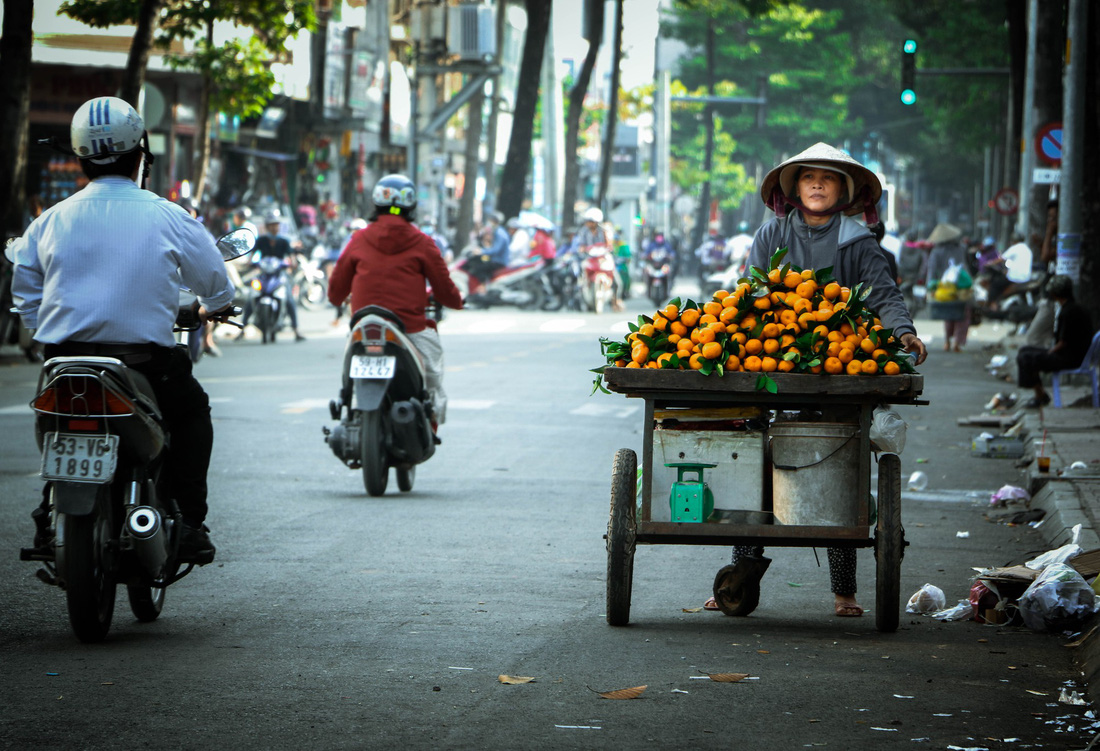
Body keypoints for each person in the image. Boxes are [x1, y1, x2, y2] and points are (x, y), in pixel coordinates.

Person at [10, 95, 235, 562]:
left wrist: (47, 333)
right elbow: (216, 283)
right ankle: (190, 523)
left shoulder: (48, 221)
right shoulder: (167, 215)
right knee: (192, 414)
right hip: (145, 367)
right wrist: (216, 306)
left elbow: (26, 296)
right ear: (140, 154)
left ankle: (48, 506)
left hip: (63, 365)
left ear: (80, 158)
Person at [723, 142, 928, 619]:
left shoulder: (858, 242)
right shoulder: (772, 232)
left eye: (828, 178)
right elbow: (747, 293)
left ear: (844, 190)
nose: (817, 183)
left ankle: (844, 590)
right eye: (808, 176)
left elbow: (884, 295)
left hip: (839, 365)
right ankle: (739, 577)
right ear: (793, 187)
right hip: (770, 358)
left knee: (840, 465)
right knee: (756, 458)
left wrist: (905, 332)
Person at [327, 174, 463, 431]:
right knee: (431, 376)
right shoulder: (423, 243)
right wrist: (457, 301)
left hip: (363, 325)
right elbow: (445, 289)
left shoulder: (358, 240)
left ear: (376, 204)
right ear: (411, 207)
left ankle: (345, 399)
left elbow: (335, 291)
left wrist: (339, 298)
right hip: (410, 328)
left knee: (348, 364)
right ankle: (430, 419)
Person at [1015, 275, 1095, 409]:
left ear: (1055, 293)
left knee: (1026, 358)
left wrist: (1050, 353)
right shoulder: (1076, 308)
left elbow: (1063, 342)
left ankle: (1040, 396)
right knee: (1025, 350)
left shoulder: (1068, 311)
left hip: (1069, 358)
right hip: (1073, 354)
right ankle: (1039, 394)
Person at [239, 213, 305, 341]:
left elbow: (291, 258)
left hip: (279, 275)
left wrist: (291, 264)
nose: (274, 228)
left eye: (276, 225)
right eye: (271, 225)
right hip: (263, 276)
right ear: (267, 227)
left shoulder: (284, 241)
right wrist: (249, 263)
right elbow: (252, 256)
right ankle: (242, 329)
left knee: (289, 299)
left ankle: (296, 330)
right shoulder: (261, 241)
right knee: (251, 298)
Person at [925, 223, 971, 352]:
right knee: (962, 314)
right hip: (961, 286)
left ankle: (947, 341)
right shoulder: (961, 248)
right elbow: (965, 267)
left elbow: (932, 270)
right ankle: (957, 342)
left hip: (944, 287)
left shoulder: (937, 251)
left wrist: (931, 288)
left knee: (948, 314)